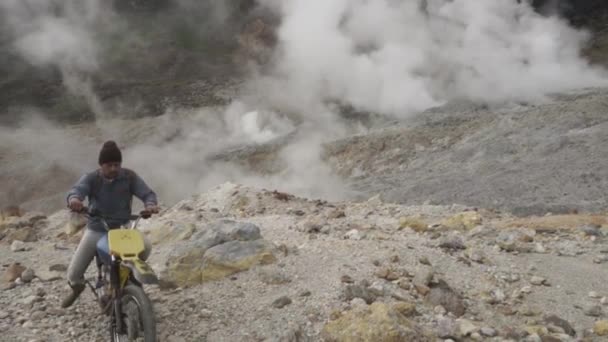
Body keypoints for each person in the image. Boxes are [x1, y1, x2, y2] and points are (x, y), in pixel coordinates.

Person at [61, 140, 159, 308]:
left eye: (117, 164)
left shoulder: (129, 177)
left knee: (146, 246)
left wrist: (150, 205)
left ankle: (130, 283)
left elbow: (147, 193)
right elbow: (77, 190)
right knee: (74, 274)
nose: (114, 168)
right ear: (101, 165)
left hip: (123, 229)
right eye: (109, 165)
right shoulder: (92, 178)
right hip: (97, 229)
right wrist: (75, 200)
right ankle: (77, 289)